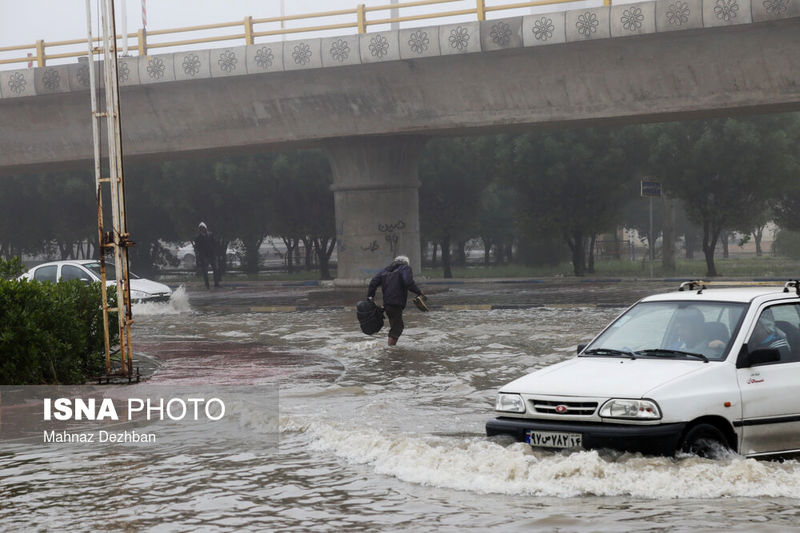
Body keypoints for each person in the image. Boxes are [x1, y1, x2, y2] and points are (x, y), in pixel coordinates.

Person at [367, 255, 424, 346]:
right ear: (406, 263)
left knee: (395, 326)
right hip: (396, 303)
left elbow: (373, 283)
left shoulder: (385, 271)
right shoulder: (405, 268)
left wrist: (370, 297)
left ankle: (391, 348)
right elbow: (408, 282)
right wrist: (418, 291)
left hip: (387, 303)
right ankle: (390, 350)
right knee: (397, 327)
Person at [193, 222, 220, 289]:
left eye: (203, 228)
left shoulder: (210, 234)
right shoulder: (198, 237)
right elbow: (197, 248)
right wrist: (199, 256)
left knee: (215, 269)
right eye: (201, 228)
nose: (202, 229)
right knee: (205, 271)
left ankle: (216, 283)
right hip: (204, 256)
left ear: (206, 228)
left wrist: (214, 251)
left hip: (212, 254)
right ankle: (207, 285)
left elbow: (214, 243)